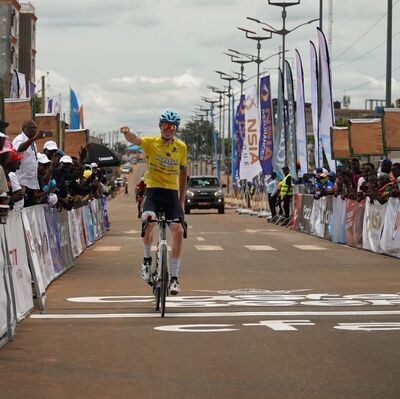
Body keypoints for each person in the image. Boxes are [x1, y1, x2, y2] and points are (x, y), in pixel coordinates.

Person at [120, 111, 187, 295]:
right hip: (154, 190)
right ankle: (147, 260)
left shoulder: (181, 147)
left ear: (175, 129)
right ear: (160, 126)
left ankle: (174, 278)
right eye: (165, 126)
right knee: (148, 219)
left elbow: (183, 174)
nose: (168, 129)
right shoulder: (151, 143)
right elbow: (135, 140)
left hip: (171, 193)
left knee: (179, 231)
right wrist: (127, 133)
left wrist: (181, 202)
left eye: (171, 127)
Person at [12, 120, 40, 206]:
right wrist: (34, 138)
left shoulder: (32, 142)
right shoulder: (19, 139)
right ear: (24, 129)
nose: (34, 130)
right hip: (22, 181)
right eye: (32, 128)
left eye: (36, 128)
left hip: (31, 182)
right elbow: (19, 148)